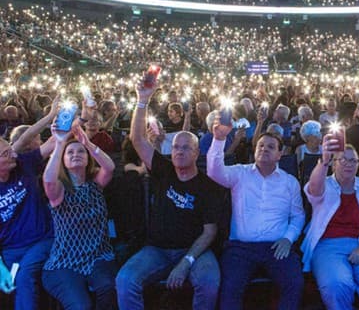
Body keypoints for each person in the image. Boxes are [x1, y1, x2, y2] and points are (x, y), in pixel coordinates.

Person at [116, 76, 223, 310]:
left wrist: (186, 262)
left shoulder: (208, 186)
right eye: (176, 147)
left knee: (209, 282)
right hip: (157, 249)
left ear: (197, 153)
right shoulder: (164, 170)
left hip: (194, 250)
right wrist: (142, 100)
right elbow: (137, 139)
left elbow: (209, 232)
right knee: (125, 280)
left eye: (186, 148)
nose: (179, 152)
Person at [207, 120, 305, 310]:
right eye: (261, 145)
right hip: (241, 248)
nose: (264, 149)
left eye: (270, 147)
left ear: (280, 154)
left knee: (295, 283)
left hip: (277, 247)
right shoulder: (240, 173)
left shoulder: (290, 182)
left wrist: (288, 238)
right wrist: (219, 139)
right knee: (230, 287)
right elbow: (214, 172)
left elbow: (298, 216)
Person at [302, 137, 359, 309]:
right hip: (328, 246)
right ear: (333, 164)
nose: (348, 164)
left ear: (358, 165)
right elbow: (313, 189)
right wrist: (324, 160)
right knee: (336, 283)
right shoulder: (324, 185)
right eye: (343, 159)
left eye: (353, 160)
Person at [41, 123, 117, 310]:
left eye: (80, 152)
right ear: (63, 161)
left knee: (108, 289)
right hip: (65, 262)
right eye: (70, 153)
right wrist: (59, 144)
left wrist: (88, 143)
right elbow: (48, 180)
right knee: (80, 306)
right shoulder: (59, 189)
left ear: (87, 158)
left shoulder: (95, 184)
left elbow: (110, 166)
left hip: (98, 257)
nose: (76, 154)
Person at [0, 97, 60, 310]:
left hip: (40, 240)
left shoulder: (22, 164)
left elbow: (38, 140)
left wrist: (53, 118)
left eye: (10, 149)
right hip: (10, 250)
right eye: (6, 153)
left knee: (24, 278)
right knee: (9, 282)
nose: (13, 153)